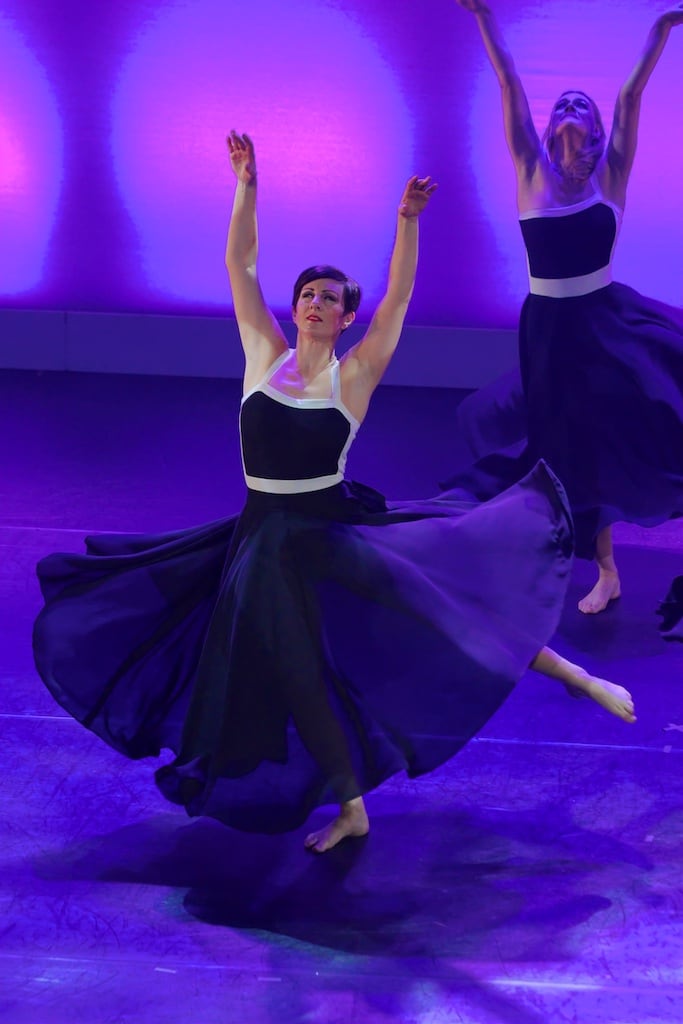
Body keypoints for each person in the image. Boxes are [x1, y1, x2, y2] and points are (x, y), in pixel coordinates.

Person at [32, 131, 635, 859]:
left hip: (332, 526)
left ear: (347, 317)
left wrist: (406, 225)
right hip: (263, 541)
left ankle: (577, 677)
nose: (315, 304)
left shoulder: (352, 377)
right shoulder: (263, 355)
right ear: (295, 309)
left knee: (443, 608)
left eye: (330, 299)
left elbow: (399, 300)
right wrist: (247, 187)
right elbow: (239, 264)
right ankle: (353, 809)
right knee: (298, 678)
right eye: (308, 295)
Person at [450, 1, 683, 614]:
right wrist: (482, 15)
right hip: (549, 335)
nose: (572, 106)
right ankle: (587, 565)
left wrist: (660, 30)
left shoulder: (611, 175)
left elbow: (630, 96)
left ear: (598, 127)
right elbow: (509, 81)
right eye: (564, 103)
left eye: (583, 103)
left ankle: (605, 569)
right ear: (550, 125)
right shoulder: (530, 168)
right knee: (554, 447)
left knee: (617, 441)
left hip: (606, 327)